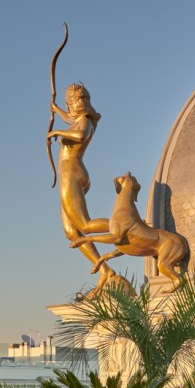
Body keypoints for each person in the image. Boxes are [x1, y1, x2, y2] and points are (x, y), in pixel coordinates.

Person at [48, 83, 111, 273]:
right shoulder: (78, 119)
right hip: (69, 173)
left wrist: (56, 132)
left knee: (84, 224)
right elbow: (70, 119)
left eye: (69, 102)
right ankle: (105, 270)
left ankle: (127, 224)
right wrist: (56, 109)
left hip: (72, 173)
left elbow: (80, 135)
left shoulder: (85, 121)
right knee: (71, 231)